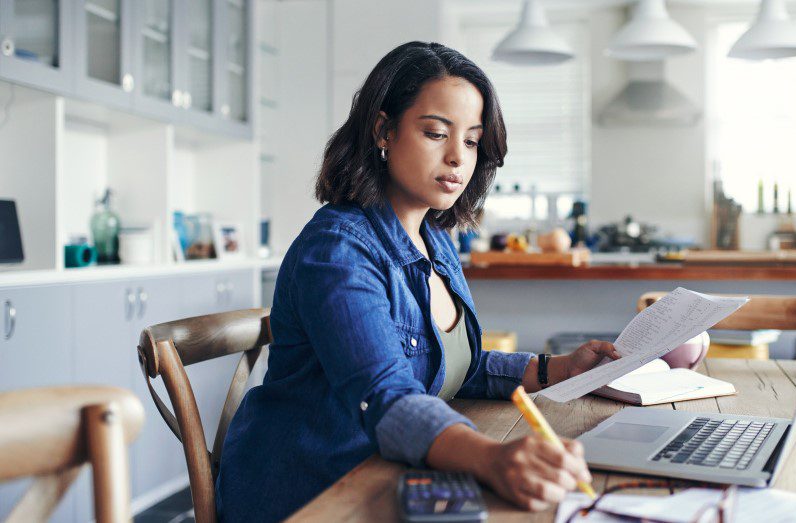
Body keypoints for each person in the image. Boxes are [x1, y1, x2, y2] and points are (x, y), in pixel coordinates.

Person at [215, 41, 619, 522]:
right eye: (435, 133)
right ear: (384, 130)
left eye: (470, 141)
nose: (457, 159)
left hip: (384, 474)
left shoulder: (436, 239)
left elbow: (453, 367)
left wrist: (559, 369)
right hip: (313, 494)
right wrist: (491, 457)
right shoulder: (338, 251)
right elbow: (387, 394)